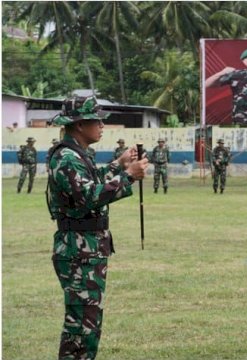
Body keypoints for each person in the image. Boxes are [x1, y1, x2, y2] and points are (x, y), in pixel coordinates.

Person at [46, 95, 148, 359]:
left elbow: (90, 182)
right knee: (81, 324)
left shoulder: (77, 154)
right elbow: (88, 197)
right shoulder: (67, 157)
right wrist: (128, 176)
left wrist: (119, 164)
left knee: (87, 322)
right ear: (79, 124)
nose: (102, 126)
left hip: (86, 248)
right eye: (97, 121)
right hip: (79, 250)